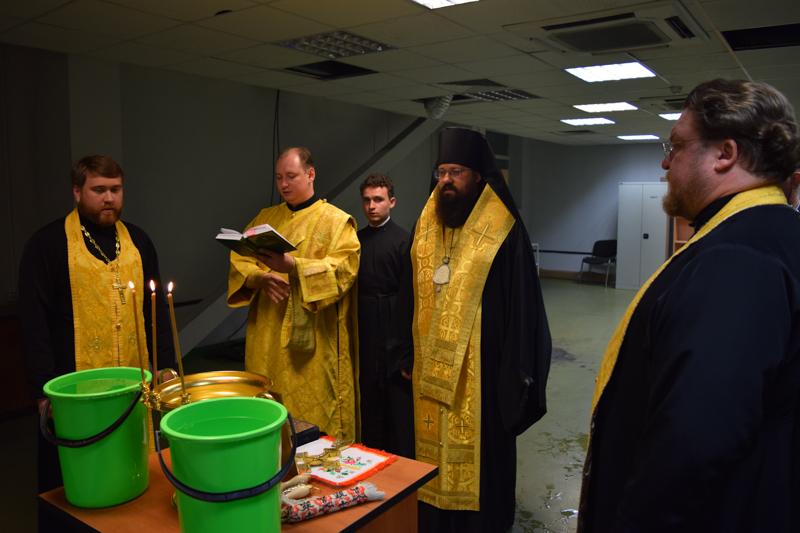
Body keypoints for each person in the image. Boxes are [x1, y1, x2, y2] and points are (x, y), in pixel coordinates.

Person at [578, 79, 800, 533]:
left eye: (676, 146)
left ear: (724, 154)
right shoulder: (772, 233)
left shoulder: (736, 258)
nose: (665, 162)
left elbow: (693, 444)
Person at [387, 127, 552, 533]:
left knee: (482, 467)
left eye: (456, 172)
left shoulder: (503, 228)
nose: (446, 180)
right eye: (441, 171)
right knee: (429, 461)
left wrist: (513, 373)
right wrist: (404, 351)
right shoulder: (426, 223)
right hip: (428, 372)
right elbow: (407, 291)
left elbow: (522, 307)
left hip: (482, 376)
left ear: (478, 176)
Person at [18, 154, 175, 497]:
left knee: (133, 470)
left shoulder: (138, 241)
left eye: (115, 189)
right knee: (76, 482)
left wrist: (165, 367)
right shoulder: (47, 244)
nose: (109, 198)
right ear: (77, 192)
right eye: (98, 190)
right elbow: (34, 322)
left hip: (132, 380)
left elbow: (156, 313)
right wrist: (43, 390)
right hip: (72, 384)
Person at [227, 147, 360, 440]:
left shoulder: (336, 221)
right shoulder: (266, 217)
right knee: (266, 409)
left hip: (314, 340)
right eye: (278, 178)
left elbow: (344, 269)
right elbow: (240, 258)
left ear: (310, 174)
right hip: (266, 331)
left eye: (291, 176)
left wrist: (294, 267)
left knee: (313, 413)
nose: (284, 184)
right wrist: (259, 277)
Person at [356, 174, 411, 452]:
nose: (371, 206)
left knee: (394, 392)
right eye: (367, 200)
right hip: (364, 322)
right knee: (367, 388)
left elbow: (410, 296)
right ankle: (368, 450)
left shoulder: (404, 240)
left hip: (393, 321)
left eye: (378, 199)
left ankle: (398, 454)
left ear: (392, 202)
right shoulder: (355, 241)